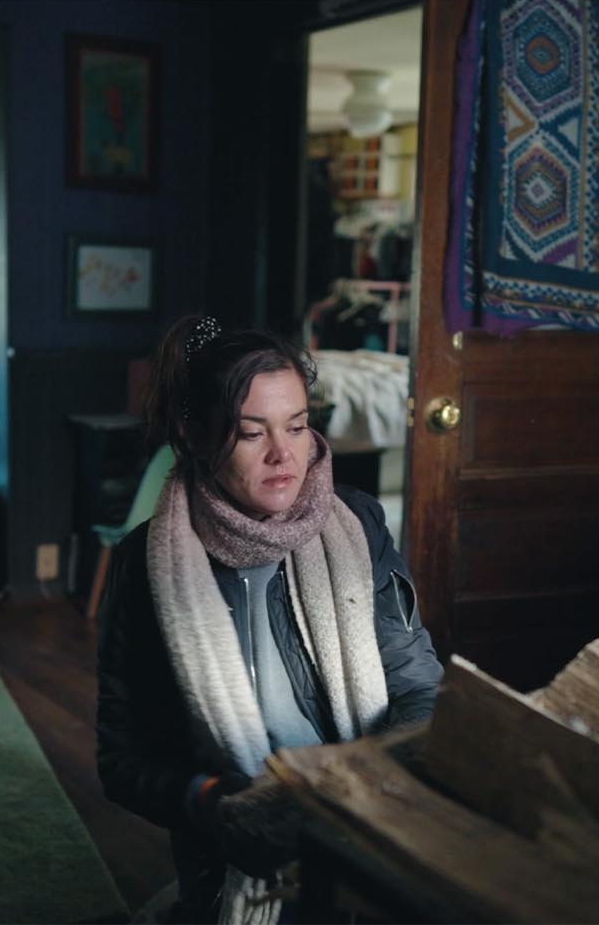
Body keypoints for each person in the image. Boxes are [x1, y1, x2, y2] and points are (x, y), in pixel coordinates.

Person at [95, 315, 443, 923]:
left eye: (298, 426)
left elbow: (419, 687)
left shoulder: (356, 527)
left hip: (361, 820)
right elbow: (121, 759)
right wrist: (211, 802)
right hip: (234, 845)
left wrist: (365, 784)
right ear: (195, 433)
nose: (285, 455)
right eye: (252, 432)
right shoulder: (147, 564)